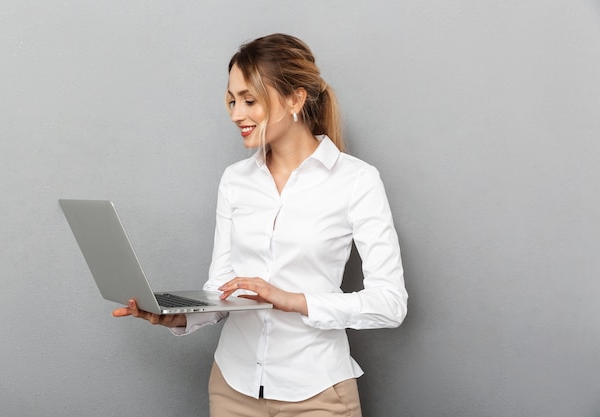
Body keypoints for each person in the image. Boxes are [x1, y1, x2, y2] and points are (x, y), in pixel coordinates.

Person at [113, 33, 408, 417]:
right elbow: (222, 291)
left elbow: (390, 304)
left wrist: (291, 300)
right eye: (232, 100)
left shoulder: (356, 180)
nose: (237, 114)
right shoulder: (235, 180)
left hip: (317, 393)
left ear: (295, 99)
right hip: (232, 388)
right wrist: (178, 316)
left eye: (250, 100)